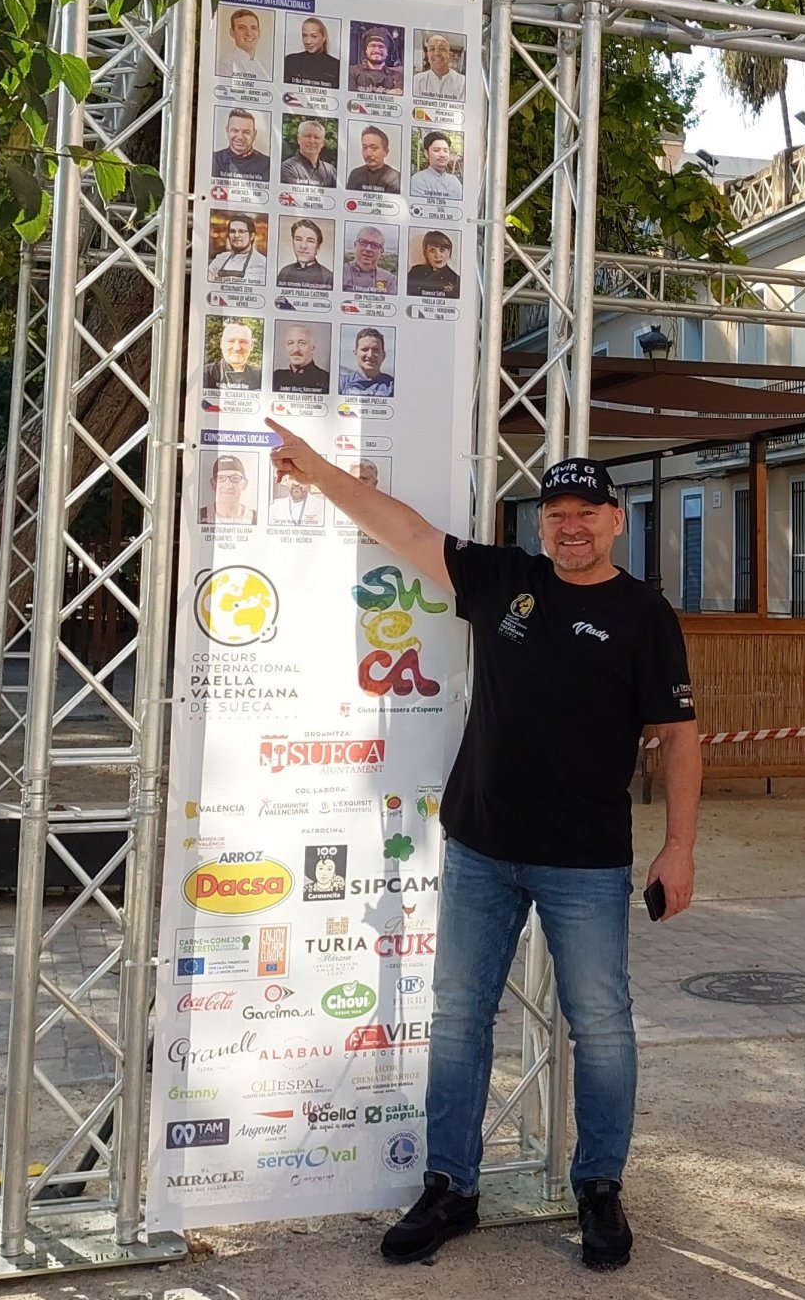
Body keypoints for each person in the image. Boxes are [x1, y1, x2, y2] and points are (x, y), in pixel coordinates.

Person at [262, 428, 700, 1274]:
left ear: (616, 521)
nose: (570, 526)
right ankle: (449, 1187)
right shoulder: (507, 581)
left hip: (586, 859)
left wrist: (678, 848)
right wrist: (317, 473)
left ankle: (598, 1187)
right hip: (480, 849)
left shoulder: (644, 614)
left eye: (586, 513)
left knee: (602, 1026)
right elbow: (404, 530)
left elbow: (679, 737)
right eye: (556, 514)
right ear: (542, 525)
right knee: (459, 1019)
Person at [210, 109, 270, 182]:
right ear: (227, 130)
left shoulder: (267, 164)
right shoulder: (213, 159)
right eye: (235, 130)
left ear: (254, 134)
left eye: (246, 132)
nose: (240, 137)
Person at [271, 323, 330, 394]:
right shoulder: (276, 378)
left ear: (312, 348)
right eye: (290, 343)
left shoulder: (326, 379)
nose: (296, 349)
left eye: (302, 343)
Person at [283, 16, 341, 87]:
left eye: (314, 36)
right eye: (305, 36)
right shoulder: (290, 61)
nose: (308, 41)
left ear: (323, 38)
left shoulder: (336, 66)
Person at [208, 212, 266, 284]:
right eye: (232, 231)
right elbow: (208, 282)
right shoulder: (220, 258)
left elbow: (248, 286)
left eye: (241, 231)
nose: (236, 235)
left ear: (252, 236)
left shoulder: (261, 261)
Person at [202, 320, 261, 389]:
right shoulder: (205, 374)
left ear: (251, 346)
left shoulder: (261, 377)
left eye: (243, 342)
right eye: (230, 341)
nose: (237, 348)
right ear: (221, 344)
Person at [198, 454, 257, 524]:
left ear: (245, 484)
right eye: (221, 478)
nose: (228, 485)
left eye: (235, 478)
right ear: (213, 484)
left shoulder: (256, 518)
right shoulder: (199, 516)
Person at [276, 218, 334, 288]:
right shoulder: (284, 272)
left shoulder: (328, 277)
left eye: (310, 241)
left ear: (318, 247)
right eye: (298, 239)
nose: (303, 246)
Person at [280, 118, 337, 188]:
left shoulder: (330, 170)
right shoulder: (287, 168)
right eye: (307, 136)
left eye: (316, 137)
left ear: (322, 143)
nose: (312, 141)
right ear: (298, 139)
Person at [409, 129, 463, 202]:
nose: (442, 155)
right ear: (426, 153)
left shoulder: (455, 182)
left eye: (445, 151)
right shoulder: (417, 180)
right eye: (436, 150)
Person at [340, 327, 395, 395]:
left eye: (375, 350)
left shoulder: (392, 386)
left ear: (383, 355)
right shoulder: (342, 383)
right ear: (355, 353)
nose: (370, 355)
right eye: (365, 349)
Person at [343, 226, 398, 294]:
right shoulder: (340, 272)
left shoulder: (389, 280)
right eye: (363, 242)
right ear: (355, 245)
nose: (368, 249)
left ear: (381, 252)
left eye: (374, 245)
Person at [218, 7, 270, 79]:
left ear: (259, 33)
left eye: (253, 28)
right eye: (241, 28)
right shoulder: (224, 64)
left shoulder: (264, 66)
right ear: (232, 32)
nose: (249, 33)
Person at [345, 126, 400, 194]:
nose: (368, 154)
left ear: (386, 152)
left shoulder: (394, 177)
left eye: (374, 148)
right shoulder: (355, 174)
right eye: (365, 148)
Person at [406, 231, 460, 300]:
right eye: (432, 250)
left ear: (449, 252)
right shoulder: (415, 271)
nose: (437, 255)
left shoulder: (455, 279)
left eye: (442, 250)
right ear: (426, 253)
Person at [413, 33, 466, 103]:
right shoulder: (417, 80)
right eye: (432, 49)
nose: (437, 53)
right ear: (427, 56)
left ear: (450, 56)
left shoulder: (462, 82)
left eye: (442, 48)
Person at [349, 29, 402, 94]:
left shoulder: (398, 77)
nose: (376, 50)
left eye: (381, 46)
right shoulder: (351, 72)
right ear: (366, 50)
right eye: (372, 46)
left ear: (387, 52)